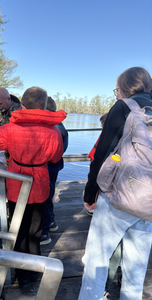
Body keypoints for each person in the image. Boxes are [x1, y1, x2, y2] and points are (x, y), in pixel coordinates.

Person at [0, 86, 66, 290]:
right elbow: (55, 157)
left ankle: (22, 278)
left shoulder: (10, 129)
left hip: (17, 185)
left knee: (18, 232)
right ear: (44, 107)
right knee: (35, 231)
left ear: (22, 106)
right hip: (40, 185)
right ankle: (34, 274)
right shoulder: (54, 132)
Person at [78, 67, 152, 300]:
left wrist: (90, 195)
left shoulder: (123, 107)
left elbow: (101, 154)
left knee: (96, 260)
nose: (117, 95)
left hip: (118, 199)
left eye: (117, 90)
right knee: (136, 268)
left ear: (124, 89)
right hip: (149, 202)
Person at [40, 97, 68, 245]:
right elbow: (64, 148)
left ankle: (44, 233)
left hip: (48, 167)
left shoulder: (53, 128)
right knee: (49, 194)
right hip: (55, 167)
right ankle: (51, 223)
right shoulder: (60, 126)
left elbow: (50, 151)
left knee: (44, 197)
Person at [86, 112, 108, 216]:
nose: (102, 128)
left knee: (99, 187)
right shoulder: (104, 136)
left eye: (103, 126)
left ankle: (94, 207)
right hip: (100, 167)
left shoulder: (106, 137)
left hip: (103, 170)